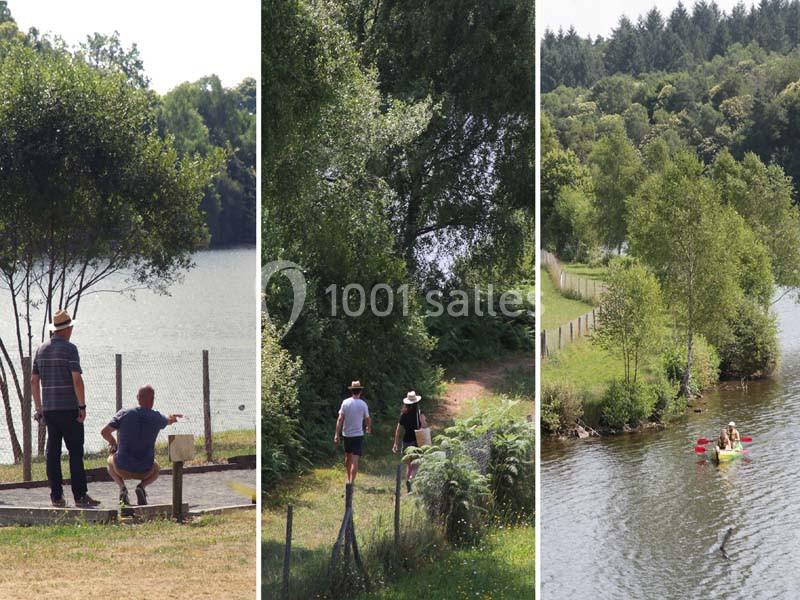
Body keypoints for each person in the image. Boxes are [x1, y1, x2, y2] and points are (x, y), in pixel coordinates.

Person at [31, 309, 100, 508]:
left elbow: (34, 381)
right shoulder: (70, 349)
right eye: (71, 327)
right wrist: (82, 406)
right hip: (70, 408)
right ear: (66, 329)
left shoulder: (41, 349)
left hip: (50, 411)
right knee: (75, 453)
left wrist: (39, 407)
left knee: (53, 453)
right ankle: (80, 495)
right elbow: (77, 380)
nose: (72, 330)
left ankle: (56, 496)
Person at [101, 385, 181, 506]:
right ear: (153, 400)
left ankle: (122, 487)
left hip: (121, 467)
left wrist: (113, 443)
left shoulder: (124, 413)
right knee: (157, 467)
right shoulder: (156, 417)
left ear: (138, 398)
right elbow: (168, 421)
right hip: (145, 469)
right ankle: (141, 486)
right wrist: (173, 418)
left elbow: (104, 432)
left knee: (109, 461)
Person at [334, 380, 371, 484]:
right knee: (355, 460)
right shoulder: (363, 404)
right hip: (358, 435)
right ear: (360, 391)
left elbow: (340, 419)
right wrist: (368, 427)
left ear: (351, 391)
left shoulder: (345, 403)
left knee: (348, 457)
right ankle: (351, 482)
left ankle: (348, 477)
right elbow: (368, 418)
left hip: (347, 434)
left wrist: (337, 434)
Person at [392, 391, 427, 494]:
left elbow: (398, 429)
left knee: (409, 465)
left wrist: (395, 443)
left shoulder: (404, 414)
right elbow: (424, 425)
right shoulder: (419, 413)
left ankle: (409, 486)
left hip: (406, 441)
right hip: (417, 441)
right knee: (416, 465)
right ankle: (411, 480)